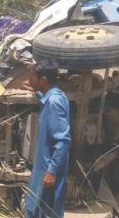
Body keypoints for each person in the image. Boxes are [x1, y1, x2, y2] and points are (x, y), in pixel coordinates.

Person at [24, 60, 71, 218]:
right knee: (37, 208)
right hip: (43, 166)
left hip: (48, 168)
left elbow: (63, 140)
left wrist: (51, 171)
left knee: (44, 210)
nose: (30, 81)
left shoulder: (53, 102)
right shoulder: (55, 95)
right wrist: (35, 91)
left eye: (32, 78)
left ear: (43, 80)